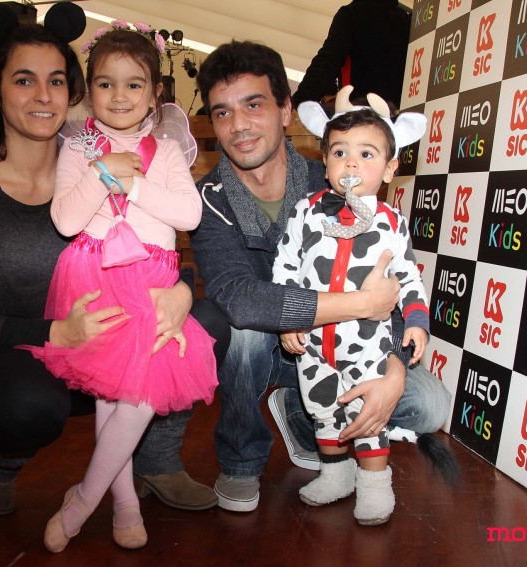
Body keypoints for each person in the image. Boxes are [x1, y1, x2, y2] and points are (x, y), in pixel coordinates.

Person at [0, 1, 226, 530]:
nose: (43, 95)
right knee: (30, 404)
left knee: (206, 324)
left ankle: (152, 461)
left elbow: (156, 237)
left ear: (71, 91)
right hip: (16, 353)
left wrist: (182, 289)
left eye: (55, 81)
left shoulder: (105, 154)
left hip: (113, 328)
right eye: (24, 80)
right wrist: (56, 332)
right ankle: (0, 461)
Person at [189, 40, 451, 512]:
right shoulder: (208, 198)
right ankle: (242, 460)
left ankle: (301, 414)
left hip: (354, 344)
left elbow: (393, 275)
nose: (239, 125)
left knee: (429, 406)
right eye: (223, 112)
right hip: (273, 344)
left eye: (254, 105)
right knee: (239, 329)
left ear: (286, 110)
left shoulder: (337, 174)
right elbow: (238, 296)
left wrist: (394, 365)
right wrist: (361, 303)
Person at [21, 24, 217, 552]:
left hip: (152, 284)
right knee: (113, 393)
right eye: (106, 84)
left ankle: (85, 499)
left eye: (134, 84)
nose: (120, 96)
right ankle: (125, 502)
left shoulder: (167, 151)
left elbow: (189, 214)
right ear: (89, 91)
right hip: (95, 278)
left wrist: (133, 183)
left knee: (140, 393)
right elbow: (66, 221)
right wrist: (101, 171)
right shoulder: (78, 147)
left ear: (155, 93)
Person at [273, 88, 429, 525]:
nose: (352, 164)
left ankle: (375, 483)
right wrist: (288, 319)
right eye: (340, 152)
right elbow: (285, 266)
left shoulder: (392, 223)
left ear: (390, 167)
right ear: (324, 161)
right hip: (312, 342)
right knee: (323, 409)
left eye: (366, 153)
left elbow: (409, 277)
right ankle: (336, 474)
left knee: (367, 415)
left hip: (367, 346)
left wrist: (416, 320)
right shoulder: (305, 211)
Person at [291, 0, 411, 108]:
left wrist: (299, 102)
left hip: (359, 114)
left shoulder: (352, 14)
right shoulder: (408, 22)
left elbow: (327, 62)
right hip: (399, 116)